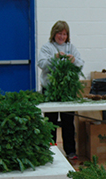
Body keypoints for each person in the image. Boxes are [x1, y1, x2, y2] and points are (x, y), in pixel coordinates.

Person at [37, 21, 84, 160]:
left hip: (67, 91)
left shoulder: (71, 47)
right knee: (50, 121)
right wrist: (54, 59)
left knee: (68, 122)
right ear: (54, 34)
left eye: (64, 34)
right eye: (59, 33)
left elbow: (80, 64)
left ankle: (70, 151)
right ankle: (51, 151)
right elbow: (42, 64)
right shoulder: (47, 47)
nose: (62, 36)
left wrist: (74, 60)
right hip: (50, 90)